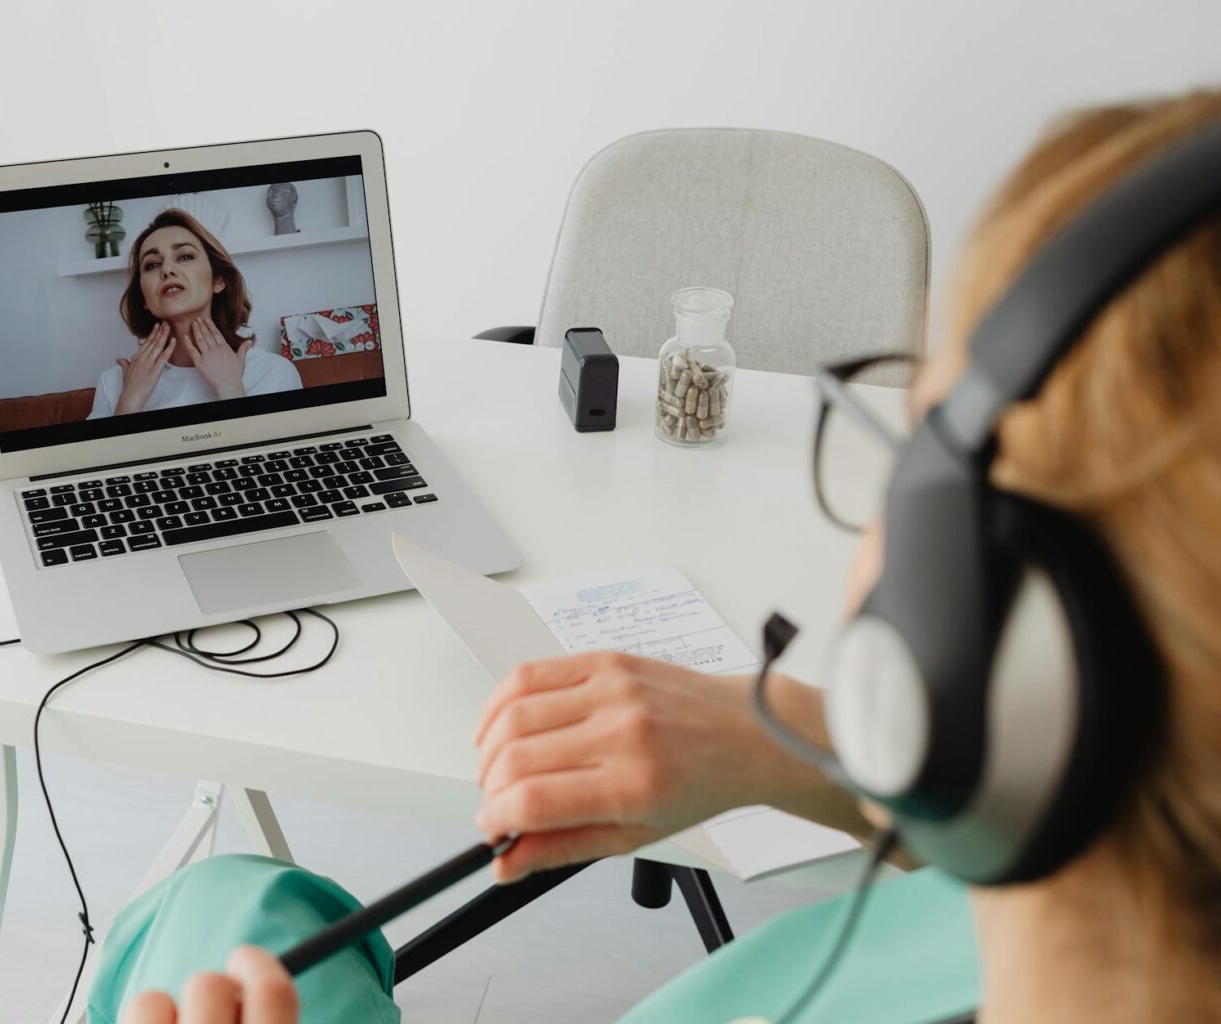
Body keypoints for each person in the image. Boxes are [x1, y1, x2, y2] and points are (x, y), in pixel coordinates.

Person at [93, 92, 1221, 1023]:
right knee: (238, 899)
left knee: (218, 912)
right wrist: (786, 737)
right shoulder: (1065, 862)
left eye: (910, 447)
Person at [87, 209, 301, 419]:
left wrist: (231, 392)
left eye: (185, 256)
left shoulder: (274, 373)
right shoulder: (115, 383)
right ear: (143, 298)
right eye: (152, 264)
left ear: (218, 280)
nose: (167, 270)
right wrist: (129, 403)